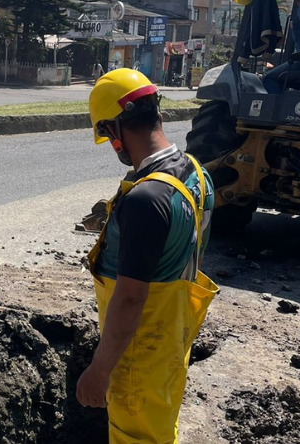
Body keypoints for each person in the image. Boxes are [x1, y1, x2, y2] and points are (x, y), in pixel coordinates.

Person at [76, 68, 219, 444]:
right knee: (158, 432)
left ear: (115, 129)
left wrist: (99, 369)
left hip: (137, 353)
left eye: (106, 133)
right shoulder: (198, 175)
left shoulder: (146, 199)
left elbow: (131, 296)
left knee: (135, 435)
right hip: (170, 339)